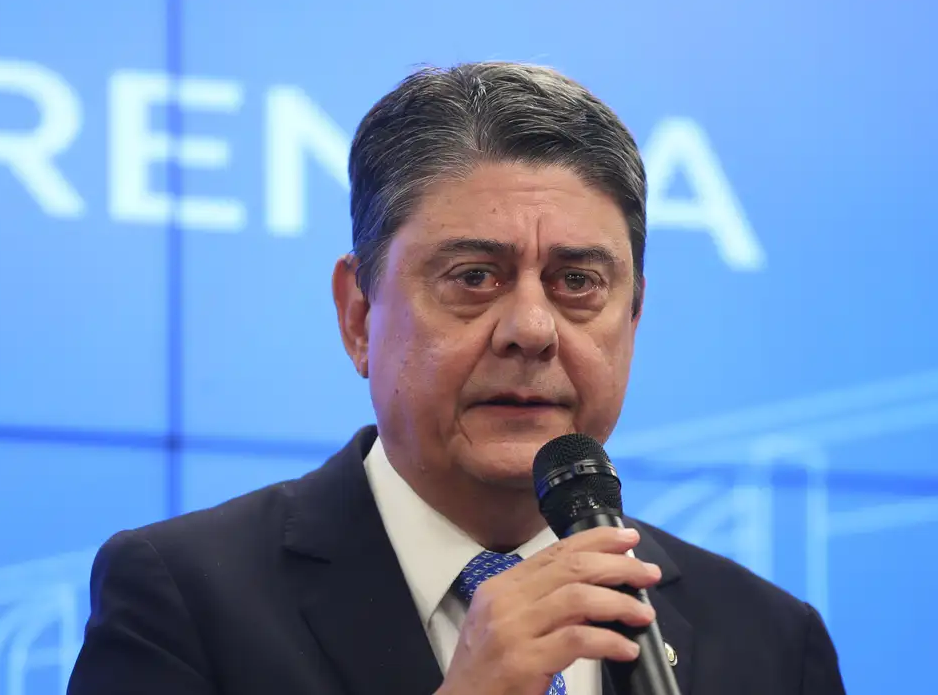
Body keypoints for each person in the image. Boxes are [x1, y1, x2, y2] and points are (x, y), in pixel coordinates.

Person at [67, 62, 847, 695]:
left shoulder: (770, 642)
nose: (532, 329)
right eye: (475, 277)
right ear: (358, 316)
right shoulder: (186, 601)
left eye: (577, 283)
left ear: (634, 317)